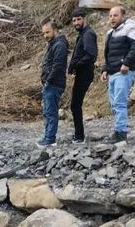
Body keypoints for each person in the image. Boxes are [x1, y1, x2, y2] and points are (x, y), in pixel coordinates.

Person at [101, 6, 135, 144]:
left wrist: (126, 63)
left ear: (122, 16)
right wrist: (104, 69)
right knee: (114, 104)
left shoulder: (130, 28)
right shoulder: (110, 34)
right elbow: (107, 55)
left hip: (124, 72)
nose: (112, 18)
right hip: (113, 72)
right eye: (110, 16)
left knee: (119, 102)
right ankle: (118, 131)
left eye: (115, 15)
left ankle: (121, 133)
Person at [68, 8, 98, 144]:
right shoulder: (83, 34)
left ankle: (79, 136)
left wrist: (76, 65)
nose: (76, 23)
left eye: (78, 19)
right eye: (74, 20)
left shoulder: (88, 34)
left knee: (75, 104)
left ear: (85, 19)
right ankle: (78, 134)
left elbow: (90, 55)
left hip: (85, 73)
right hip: (82, 73)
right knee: (75, 104)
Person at [38, 20, 69, 148]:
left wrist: (48, 81)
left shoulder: (60, 45)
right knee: (47, 111)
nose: (45, 35)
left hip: (54, 84)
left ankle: (50, 138)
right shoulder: (53, 44)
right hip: (50, 83)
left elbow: (57, 66)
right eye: (44, 33)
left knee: (51, 112)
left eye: (48, 32)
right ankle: (47, 136)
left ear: (55, 30)